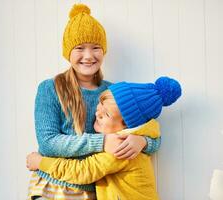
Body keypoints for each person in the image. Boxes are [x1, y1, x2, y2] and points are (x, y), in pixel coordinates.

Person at [27, 3, 161, 200]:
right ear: (68, 52)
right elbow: (48, 143)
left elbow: (153, 136)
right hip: (53, 185)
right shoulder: (50, 88)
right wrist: (103, 141)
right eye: (80, 48)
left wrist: (142, 142)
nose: (88, 56)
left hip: (95, 189)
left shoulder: (113, 92)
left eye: (96, 48)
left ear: (103, 51)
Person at [27, 77, 182, 200]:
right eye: (100, 103)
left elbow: (82, 171)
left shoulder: (121, 148)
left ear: (125, 125)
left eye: (106, 114)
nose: (97, 112)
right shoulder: (133, 135)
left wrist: (40, 162)